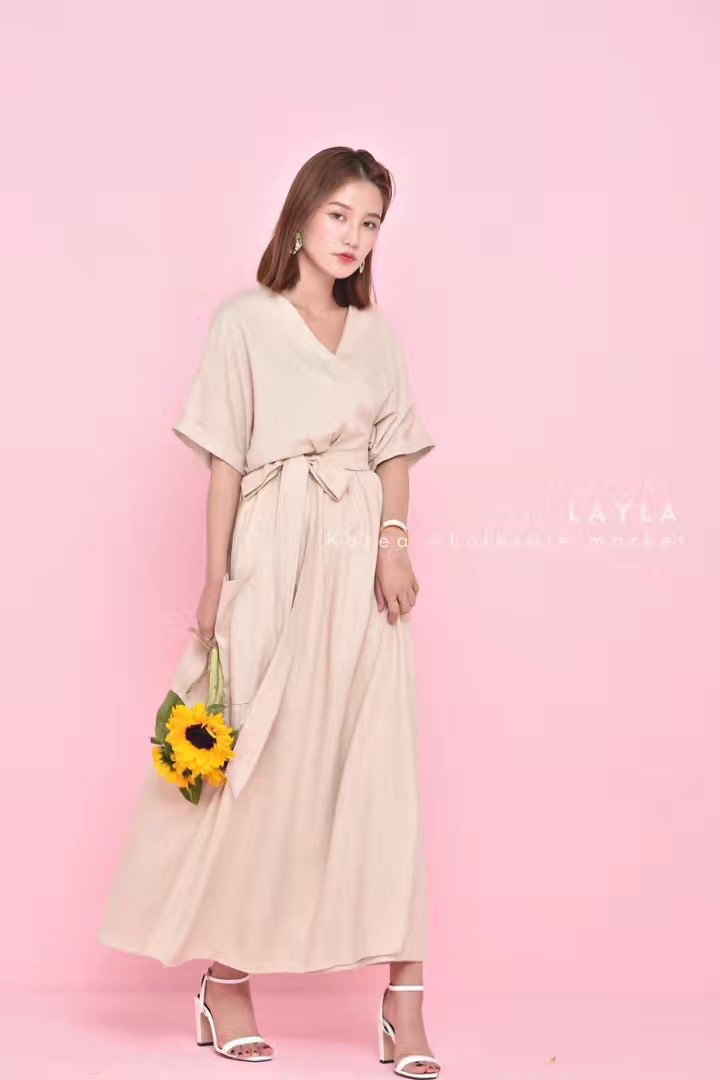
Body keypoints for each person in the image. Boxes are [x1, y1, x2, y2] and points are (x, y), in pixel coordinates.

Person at [99, 147, 441, 1078]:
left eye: (370, 224)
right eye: (339, 216)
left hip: (360, 565)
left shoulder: (376, 335)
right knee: (258, 768)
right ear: (300, 216)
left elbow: (394, 448)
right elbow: (224, 460)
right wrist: (216, 580)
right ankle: (228, 981)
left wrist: (394, 539)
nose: (354, 237)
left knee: (378, 768)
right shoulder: (243, 322)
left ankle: (404, 1004)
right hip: (272, 551)